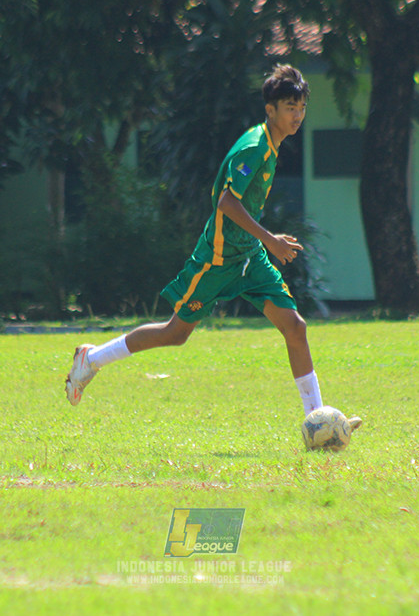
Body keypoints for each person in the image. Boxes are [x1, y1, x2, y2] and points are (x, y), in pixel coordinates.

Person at [64, 64, 360, 436]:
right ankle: (91, 359)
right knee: (176, 333)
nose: (297, 115)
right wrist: (271, 239)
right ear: (270, 110)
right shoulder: (255, 147)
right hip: (219, 258)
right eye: (289, 107)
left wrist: (261, 244)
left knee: (294, 327)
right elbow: (226, 203)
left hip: (249, 257)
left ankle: (317, 421)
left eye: (301, 107)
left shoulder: (271, 144)